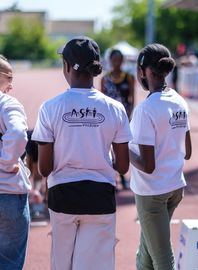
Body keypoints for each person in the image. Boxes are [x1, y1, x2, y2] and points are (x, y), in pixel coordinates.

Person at [32, 36, 132, 270]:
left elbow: (44, 169)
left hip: (62, 196)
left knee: (62, 264)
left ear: (66, 66)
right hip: (100, 196)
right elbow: (123, 167)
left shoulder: (50, 107)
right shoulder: (115, 108)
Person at [129, 44, 192, 270]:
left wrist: (121, 144)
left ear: (144, 71)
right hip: (174, 187)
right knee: (145, 258)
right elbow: (189, 150)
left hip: (152, 193)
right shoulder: (179, 101)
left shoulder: (146, 109)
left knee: (164, 261)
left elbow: (147, 165)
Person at [0, 55, 31, 269]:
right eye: (9, 77)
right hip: (8, 192)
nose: (11, 84)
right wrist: (7, 162)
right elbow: (19, 133)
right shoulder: (6, 103)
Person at [101, 48, 135, 190]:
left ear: (122, 61)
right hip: (108, 118)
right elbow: (101, 100)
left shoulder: (129, 77)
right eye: (114, 60)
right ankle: (113, 177)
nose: (116, 62)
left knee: (122, 148)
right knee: (109, 148)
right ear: (110, 61)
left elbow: (132, 99)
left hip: (123, 118)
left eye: (119, 60)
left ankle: (123, 177)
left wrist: (128, 116)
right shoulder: (105, 78)